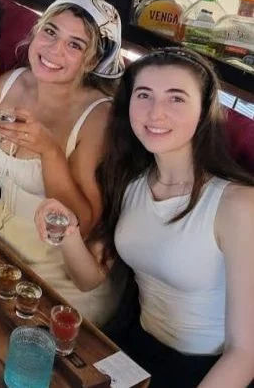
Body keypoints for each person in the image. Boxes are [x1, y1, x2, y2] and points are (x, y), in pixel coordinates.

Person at [34, 48, 254, 387]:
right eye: (144, 95)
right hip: (135, 349)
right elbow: (88, 279)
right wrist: (67, 230)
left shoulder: (237, 204)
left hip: (207, 371)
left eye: (176, 98)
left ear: (203, 112)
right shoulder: (130, 182)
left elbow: (245, 354)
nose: (155, 112)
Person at [0, 0, 126, 326]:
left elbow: (84, 222)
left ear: (92, 62)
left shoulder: (98, 118)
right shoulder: (10, 83)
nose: (54, 50)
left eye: (75, 45)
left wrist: (49, 151)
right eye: (50, 32)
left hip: (58, 279)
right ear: (35, 32)